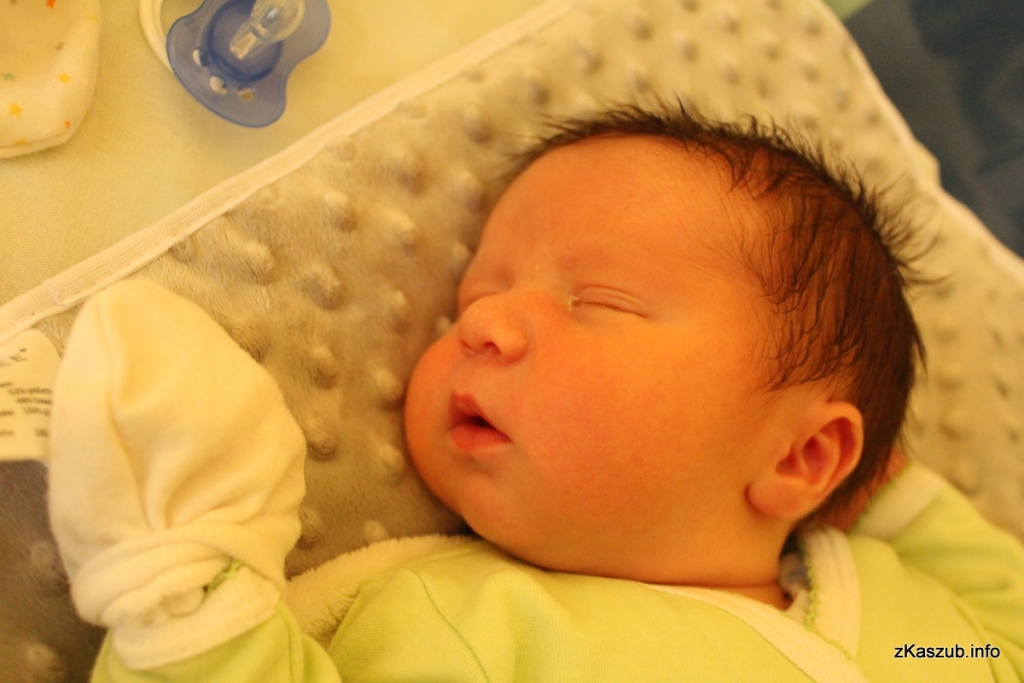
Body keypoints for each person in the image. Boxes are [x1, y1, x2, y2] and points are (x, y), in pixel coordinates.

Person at [48, 104, 1024, 682]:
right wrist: (192, 613)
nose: (484, 324)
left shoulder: (936, 638)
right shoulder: (475, 627)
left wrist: (887, 486)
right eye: (474, 298)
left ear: (805, 455)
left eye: (596, 299)